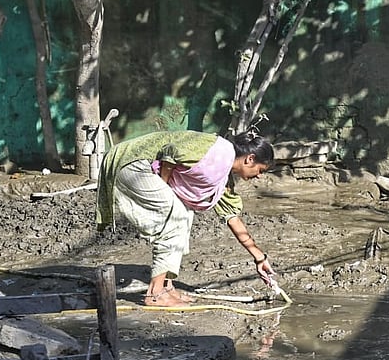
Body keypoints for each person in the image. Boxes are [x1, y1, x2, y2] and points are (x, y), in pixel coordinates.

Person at [95, 128, 277, 307]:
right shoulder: (217, 151)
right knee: (175, 216)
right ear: (250, 159)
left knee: (184, 214)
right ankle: (155, 294)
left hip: (143, 168)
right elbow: (171, 152)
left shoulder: (222, 175)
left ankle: (166, 287)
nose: (259, 176)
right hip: (132, 163)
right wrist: (164, 187)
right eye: (260, 170)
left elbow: (231, 216)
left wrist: (259, 258)